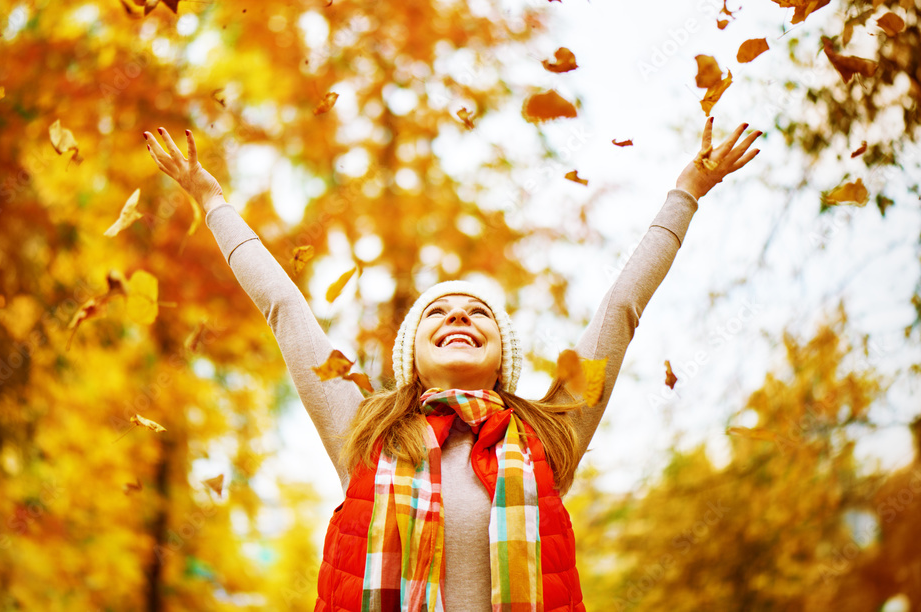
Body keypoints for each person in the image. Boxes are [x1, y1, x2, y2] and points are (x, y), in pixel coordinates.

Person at [143, 117, 762, 610]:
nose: (460, 318)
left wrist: (686, 193)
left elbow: (621, 308)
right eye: (439, 314)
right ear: (411, 355)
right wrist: (212, 198)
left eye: (479, 314)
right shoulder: (364, 433)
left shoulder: (551, 434)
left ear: (502, 360)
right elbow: (284, 307)